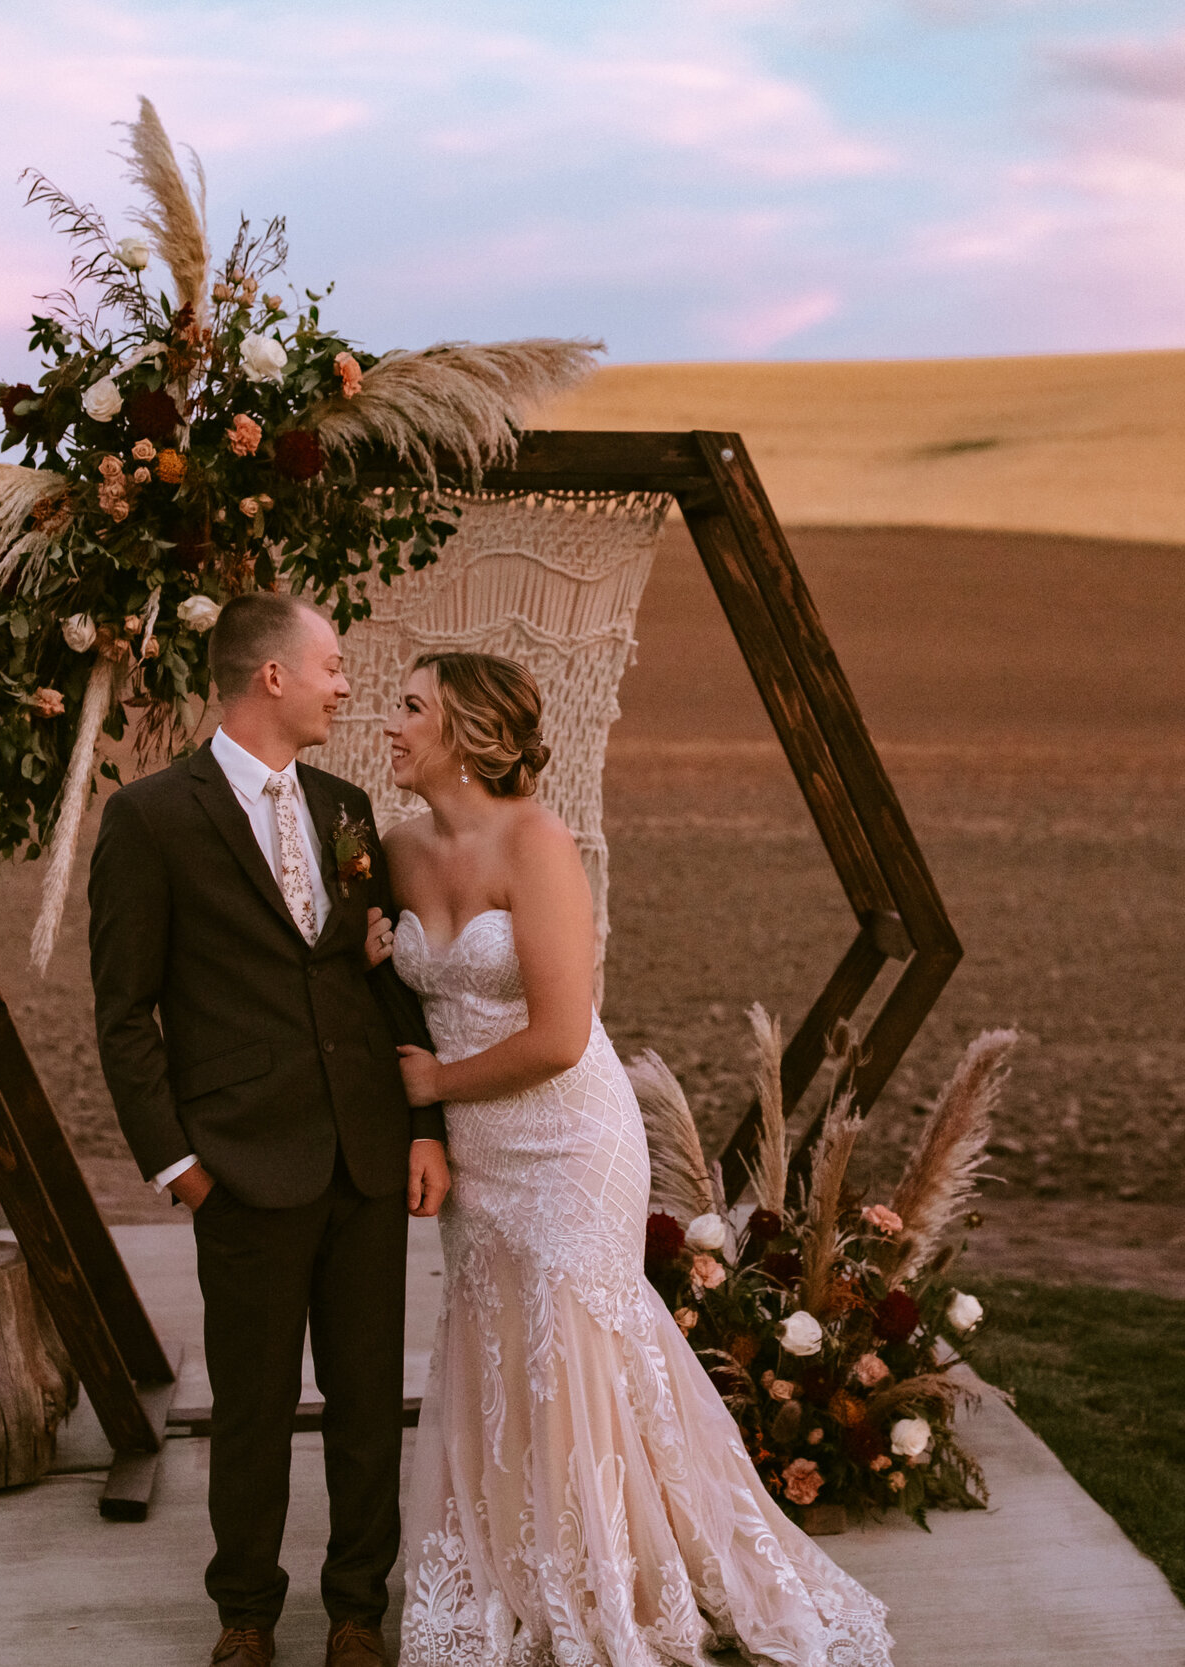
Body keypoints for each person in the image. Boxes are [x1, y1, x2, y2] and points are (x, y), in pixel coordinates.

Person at [366, 651, 894, 1667]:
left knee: (576, 1353)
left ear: (470, 735)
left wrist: (433, 1086)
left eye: (411, 706)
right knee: (498, 1349)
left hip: (566, 1139)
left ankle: (613, 1580)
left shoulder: (539, 843)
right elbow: (389, 994)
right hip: (477, 1159)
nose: (392, 722)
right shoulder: (392, 848)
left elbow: (562, 1033)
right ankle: (523, 1568)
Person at [88, 591, 451, 1667]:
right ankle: (243, 1612)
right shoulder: (151, 817)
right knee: (249, 1404)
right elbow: (121, 1012)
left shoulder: (345, 809)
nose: (348, 686)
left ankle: (356, 1611)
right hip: (239, 1168)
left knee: (368, 1399)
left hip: (366, 1156)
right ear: (272, 677)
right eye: (333, 665)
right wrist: (182, 1165)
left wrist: (422, 1124)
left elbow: (378, 976)